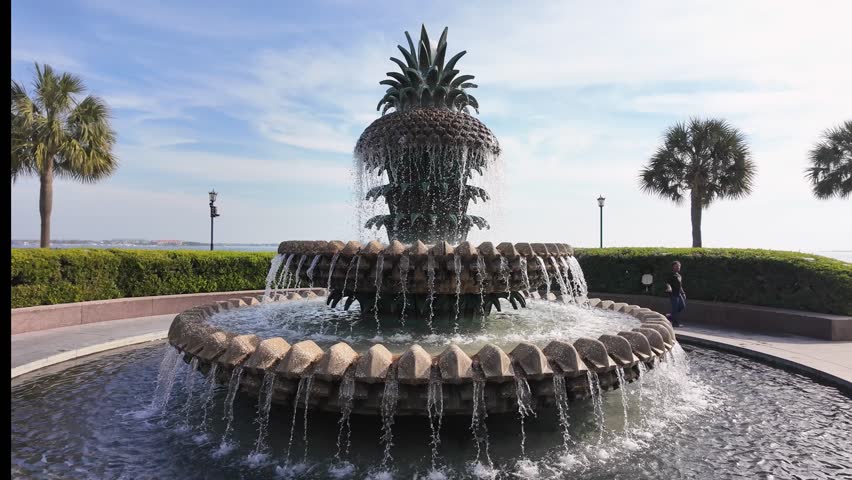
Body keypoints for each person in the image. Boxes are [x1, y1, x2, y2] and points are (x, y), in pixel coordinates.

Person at [665, 260, 686, 327]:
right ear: (673, 267)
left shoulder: (679, 276)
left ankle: (670, 316)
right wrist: (669, 288)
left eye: (679, 266)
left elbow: (680, 286)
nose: (678, 267)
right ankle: (675, 323)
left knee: (682, 306)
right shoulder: (671, 275)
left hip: (678, 293)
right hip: (673, 294)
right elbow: (667, 283)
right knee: (675, 308)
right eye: (676, 266)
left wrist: (683, 293)